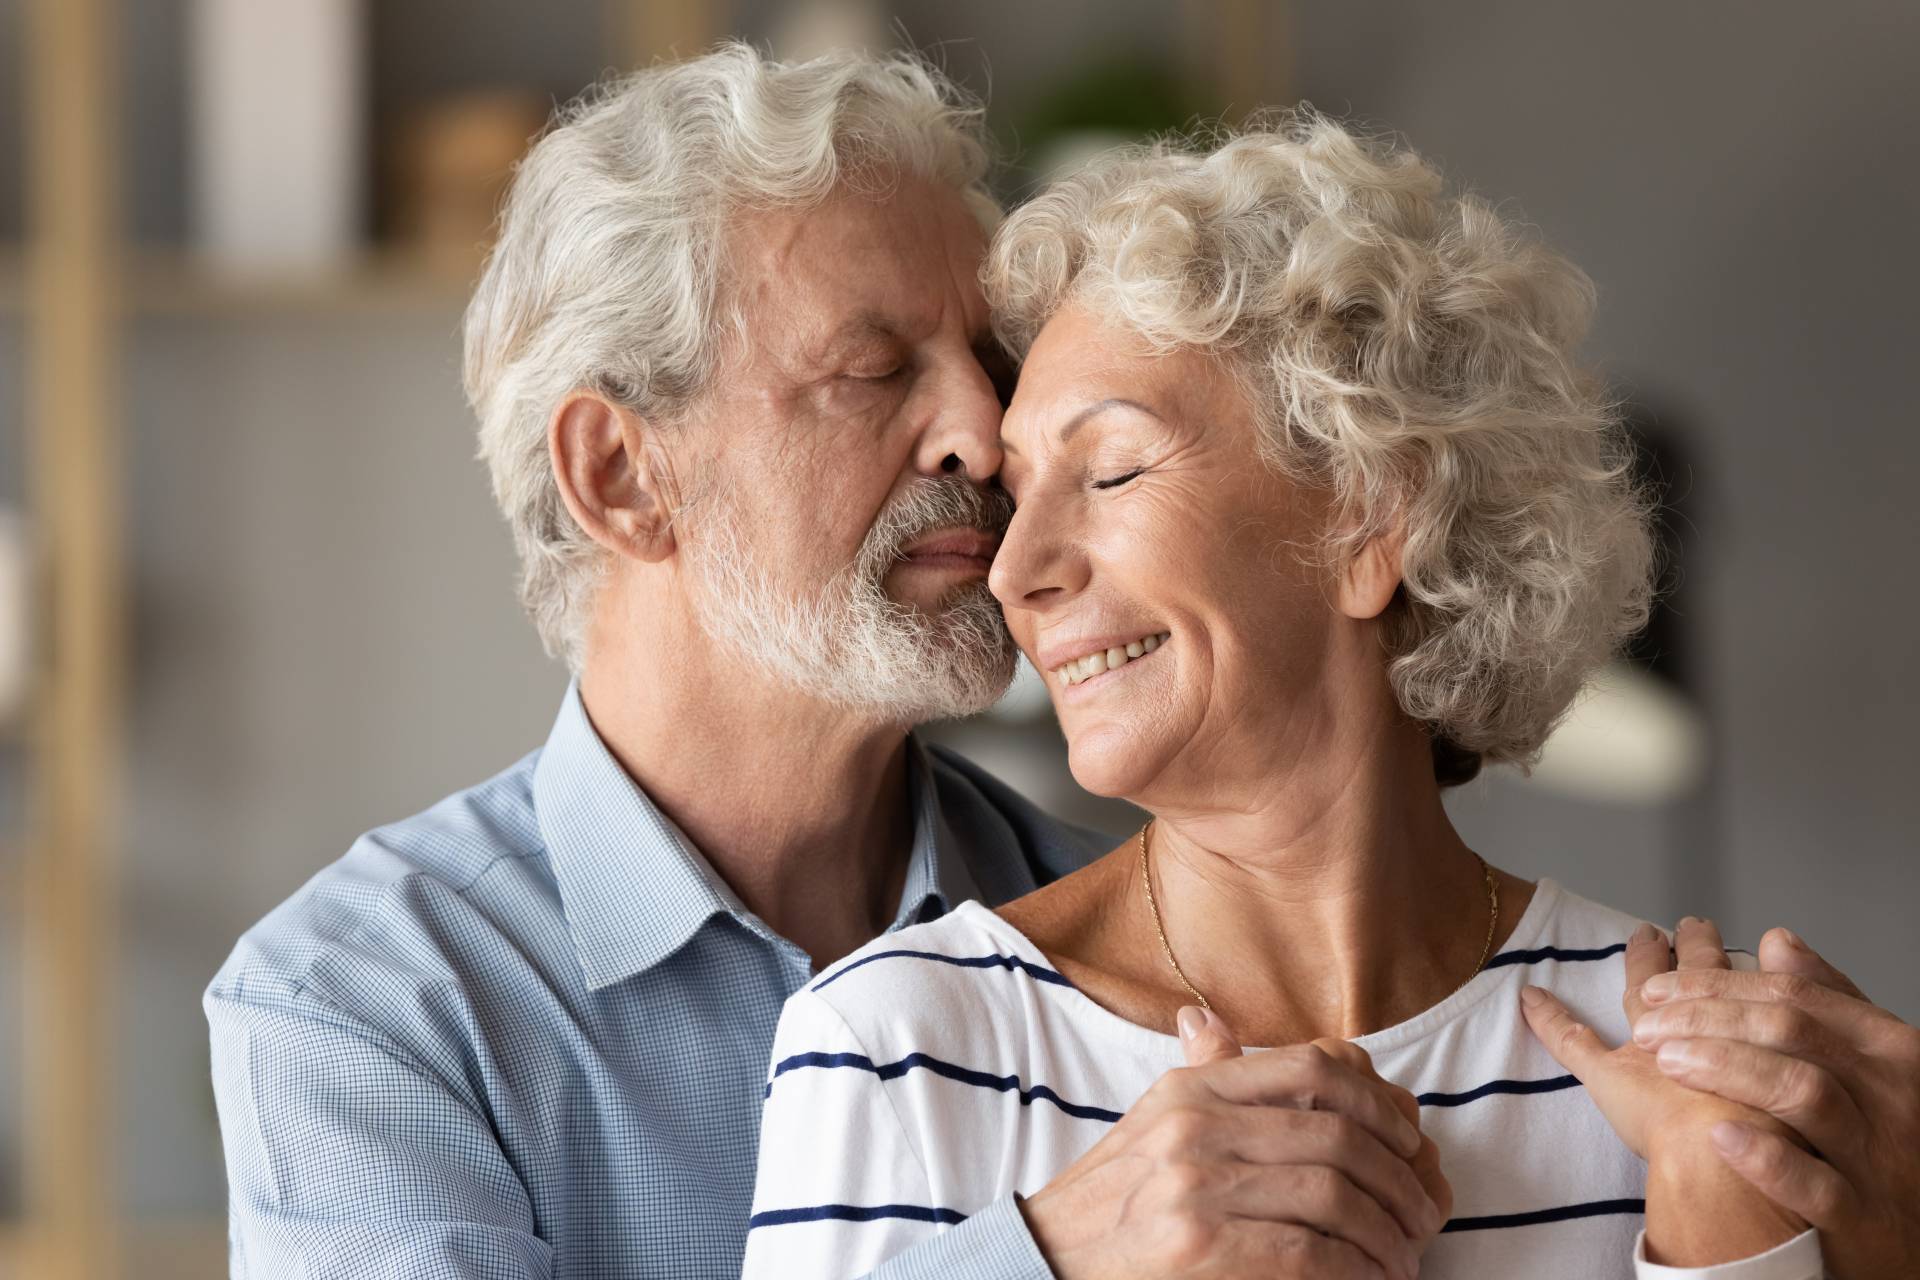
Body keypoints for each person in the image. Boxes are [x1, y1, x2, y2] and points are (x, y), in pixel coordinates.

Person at [745, 115, 1918, 1279]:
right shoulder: (893, 1048)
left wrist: (1739, 1238)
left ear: (1370, 517)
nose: (1015, 570)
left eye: (1109, 470)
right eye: (1018, 491)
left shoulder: (1696, 1058)